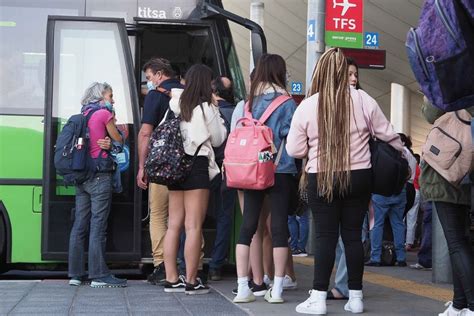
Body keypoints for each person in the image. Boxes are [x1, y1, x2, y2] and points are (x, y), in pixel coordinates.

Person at [287, 48, 403, 315]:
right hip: (359, 177)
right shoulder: (363, 99)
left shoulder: (308, 104)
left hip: (323, 177)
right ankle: (356, 297)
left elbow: (294, 150)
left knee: (325, 237)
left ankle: (317, 299)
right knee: (352, 236)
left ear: (322, 72)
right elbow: (388, 135)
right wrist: (405, 155)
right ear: (344, 73)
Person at [233, 54, 297, 304]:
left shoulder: (249, 103)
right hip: (280, 170)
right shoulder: (287, 103)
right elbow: (293, 141)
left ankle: (242, 288)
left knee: (248, 228)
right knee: (279, 229)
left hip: (252, 170)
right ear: (280, 73)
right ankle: (277, 290)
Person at [162, 64, 227, 295]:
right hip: (196, 165)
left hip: (174, 165)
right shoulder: (206, 107)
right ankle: (191, 280)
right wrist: (216, 112)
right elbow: (218, 139)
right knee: (193, 225)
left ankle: (171, 278)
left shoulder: (174, 105)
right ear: (205, 83)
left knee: (173, 225)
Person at [420, 98, 474, 316]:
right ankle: (459, 303)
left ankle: (471, 304)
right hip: (464, 171)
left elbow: (430, 113)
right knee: (461, 241)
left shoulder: (454, 81)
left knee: (456, 243)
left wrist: (429, 94)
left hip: (446, 171)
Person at [68, 82, 125, 288]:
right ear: (101, 97)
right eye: (111, 96)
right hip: (100, 175)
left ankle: (75, 274)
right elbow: (118, 139)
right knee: (98, 225)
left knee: (80, 224)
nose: (113, 100)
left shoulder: (81, 115)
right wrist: (116, 138)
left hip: (81, 176)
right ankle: (99, 275)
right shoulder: (103, 114)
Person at [136, 57, 183, 285]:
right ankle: (192, 264)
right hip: (188, 167)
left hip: (163, 166)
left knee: (158, 215)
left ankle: (161, 264)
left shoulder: (156, 96)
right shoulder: (190, 92)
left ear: (160, 74)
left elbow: (145, 133)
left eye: (149, 77)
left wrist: (142, 166)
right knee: (187, 218)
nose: (149, 83)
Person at [328, 57, 367, 300]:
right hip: (335, 175)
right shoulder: (328, 104)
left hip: (354, 175)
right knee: (343, 236)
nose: (353, 79)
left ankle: (345, 287)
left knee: (350, 236)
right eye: (349, 74)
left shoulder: (363, 101)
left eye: (355, 75)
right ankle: (347, 287)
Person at [366, 134, 416, 267]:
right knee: (398, 224)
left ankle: (375, 257)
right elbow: (409, 173)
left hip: (380, 193)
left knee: (378, 225)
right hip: (400, 191)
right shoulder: (402, 151)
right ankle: (400, 258)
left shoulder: (377, 151)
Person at [208, 76, 236, 281]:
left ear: (214, 91)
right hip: (230, 171)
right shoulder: (237, 112)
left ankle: (189, 261)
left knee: (195, 216)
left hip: (208, 169)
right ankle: (216, 265)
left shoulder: (209, 111)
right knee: (225, 216)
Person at [406, 154, 421, 251]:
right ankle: (408, 243)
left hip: (407, 189)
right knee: (412, 219)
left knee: (400, 219)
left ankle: (398, 241)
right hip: (416, 191)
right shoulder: (418, 167)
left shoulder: (406, 164)